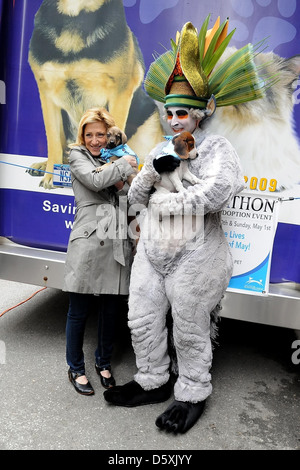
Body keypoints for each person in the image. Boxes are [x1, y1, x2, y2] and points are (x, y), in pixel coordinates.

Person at [103, 19, 272, 432]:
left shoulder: (217, 148)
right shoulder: (161, 146)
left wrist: (168, 199)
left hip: (196, 257)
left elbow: (219, 192)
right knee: (141, 319)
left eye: (183, 112)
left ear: (201, 113)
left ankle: (192, 391)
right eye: (170, 112)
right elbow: (137, 195)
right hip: (153, 255)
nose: (175, 119)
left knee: (190, 327)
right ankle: (152, 380)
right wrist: (153, 173)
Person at [63, 107, 137, 396]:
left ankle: (103, 363)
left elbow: (128, 195)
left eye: (101, 134)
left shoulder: (116, 156)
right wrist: (125, 165)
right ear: (82, 135)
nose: (95, 140)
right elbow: (95, 181)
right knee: (78, 310)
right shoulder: (77, 156)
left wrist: (124, 174)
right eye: (89, 134)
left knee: (111, 310)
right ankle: (76, 368)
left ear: (110, 135)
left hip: (118, 237)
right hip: (89, 238)